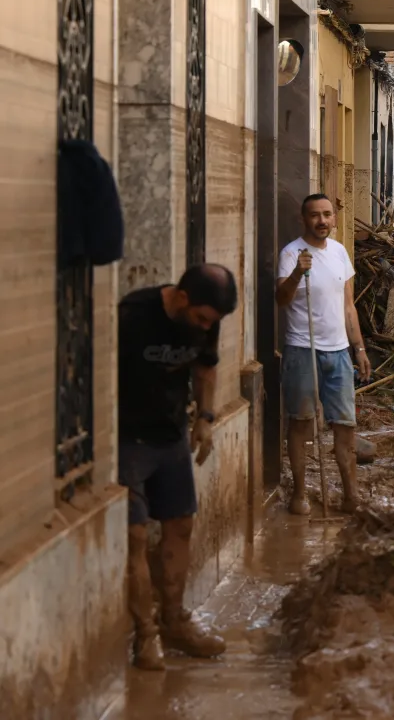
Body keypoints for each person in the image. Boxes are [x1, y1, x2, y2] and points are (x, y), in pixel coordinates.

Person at [118, 263, 239, 670]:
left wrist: (205, 417)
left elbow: (206, 367)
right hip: (126, 439)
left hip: (170, 436)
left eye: (213, 323)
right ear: (182, 299)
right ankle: (145, 635)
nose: (207, 328)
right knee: (134, 536)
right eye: (203, 319)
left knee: (181, 525)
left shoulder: (206, 320)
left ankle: (174, 621)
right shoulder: (133, 314)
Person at [276, 193, 370, 515]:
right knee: (301, 423)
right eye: (315, 215)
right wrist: (296, 274)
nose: (322, 221)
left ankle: (350, 494)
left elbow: (348, 306)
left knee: (345, 425)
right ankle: (300, 494)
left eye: (327, 214)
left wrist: (359, 348)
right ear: (304, 219)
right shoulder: (291, 254)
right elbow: (281, 299)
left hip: (339, 352)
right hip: (303, 349)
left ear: (334, 217)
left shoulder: (341, 253)